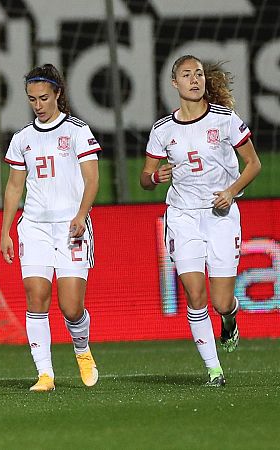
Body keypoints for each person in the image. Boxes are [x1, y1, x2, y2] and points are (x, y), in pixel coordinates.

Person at [140, 55, 261, 386]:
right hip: (181, 217)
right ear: (174, 83)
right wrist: (155, 177)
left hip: (221, 216)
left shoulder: (225, 119)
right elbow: (146, 177)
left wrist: (232, 191)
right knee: (195, 294)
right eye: (186, 75)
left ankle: (230, 318)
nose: (194, 80)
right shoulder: (163, 129)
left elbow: (253, 164)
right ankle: (214, 369)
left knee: (221, 302)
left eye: (198, 74)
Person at [0, 64, 101, 392]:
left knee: (71, 307)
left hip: (71, 227)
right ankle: (45, 374)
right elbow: (14, 187)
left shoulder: (77, 131)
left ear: (58, 93)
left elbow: (92, 179)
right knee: (36, 297)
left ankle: (82, 349)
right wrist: (6, 231)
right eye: (32, 99)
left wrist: (81, 215)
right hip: (34, 228)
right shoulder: (22, 139)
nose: (38, 104)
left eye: (44, 97)